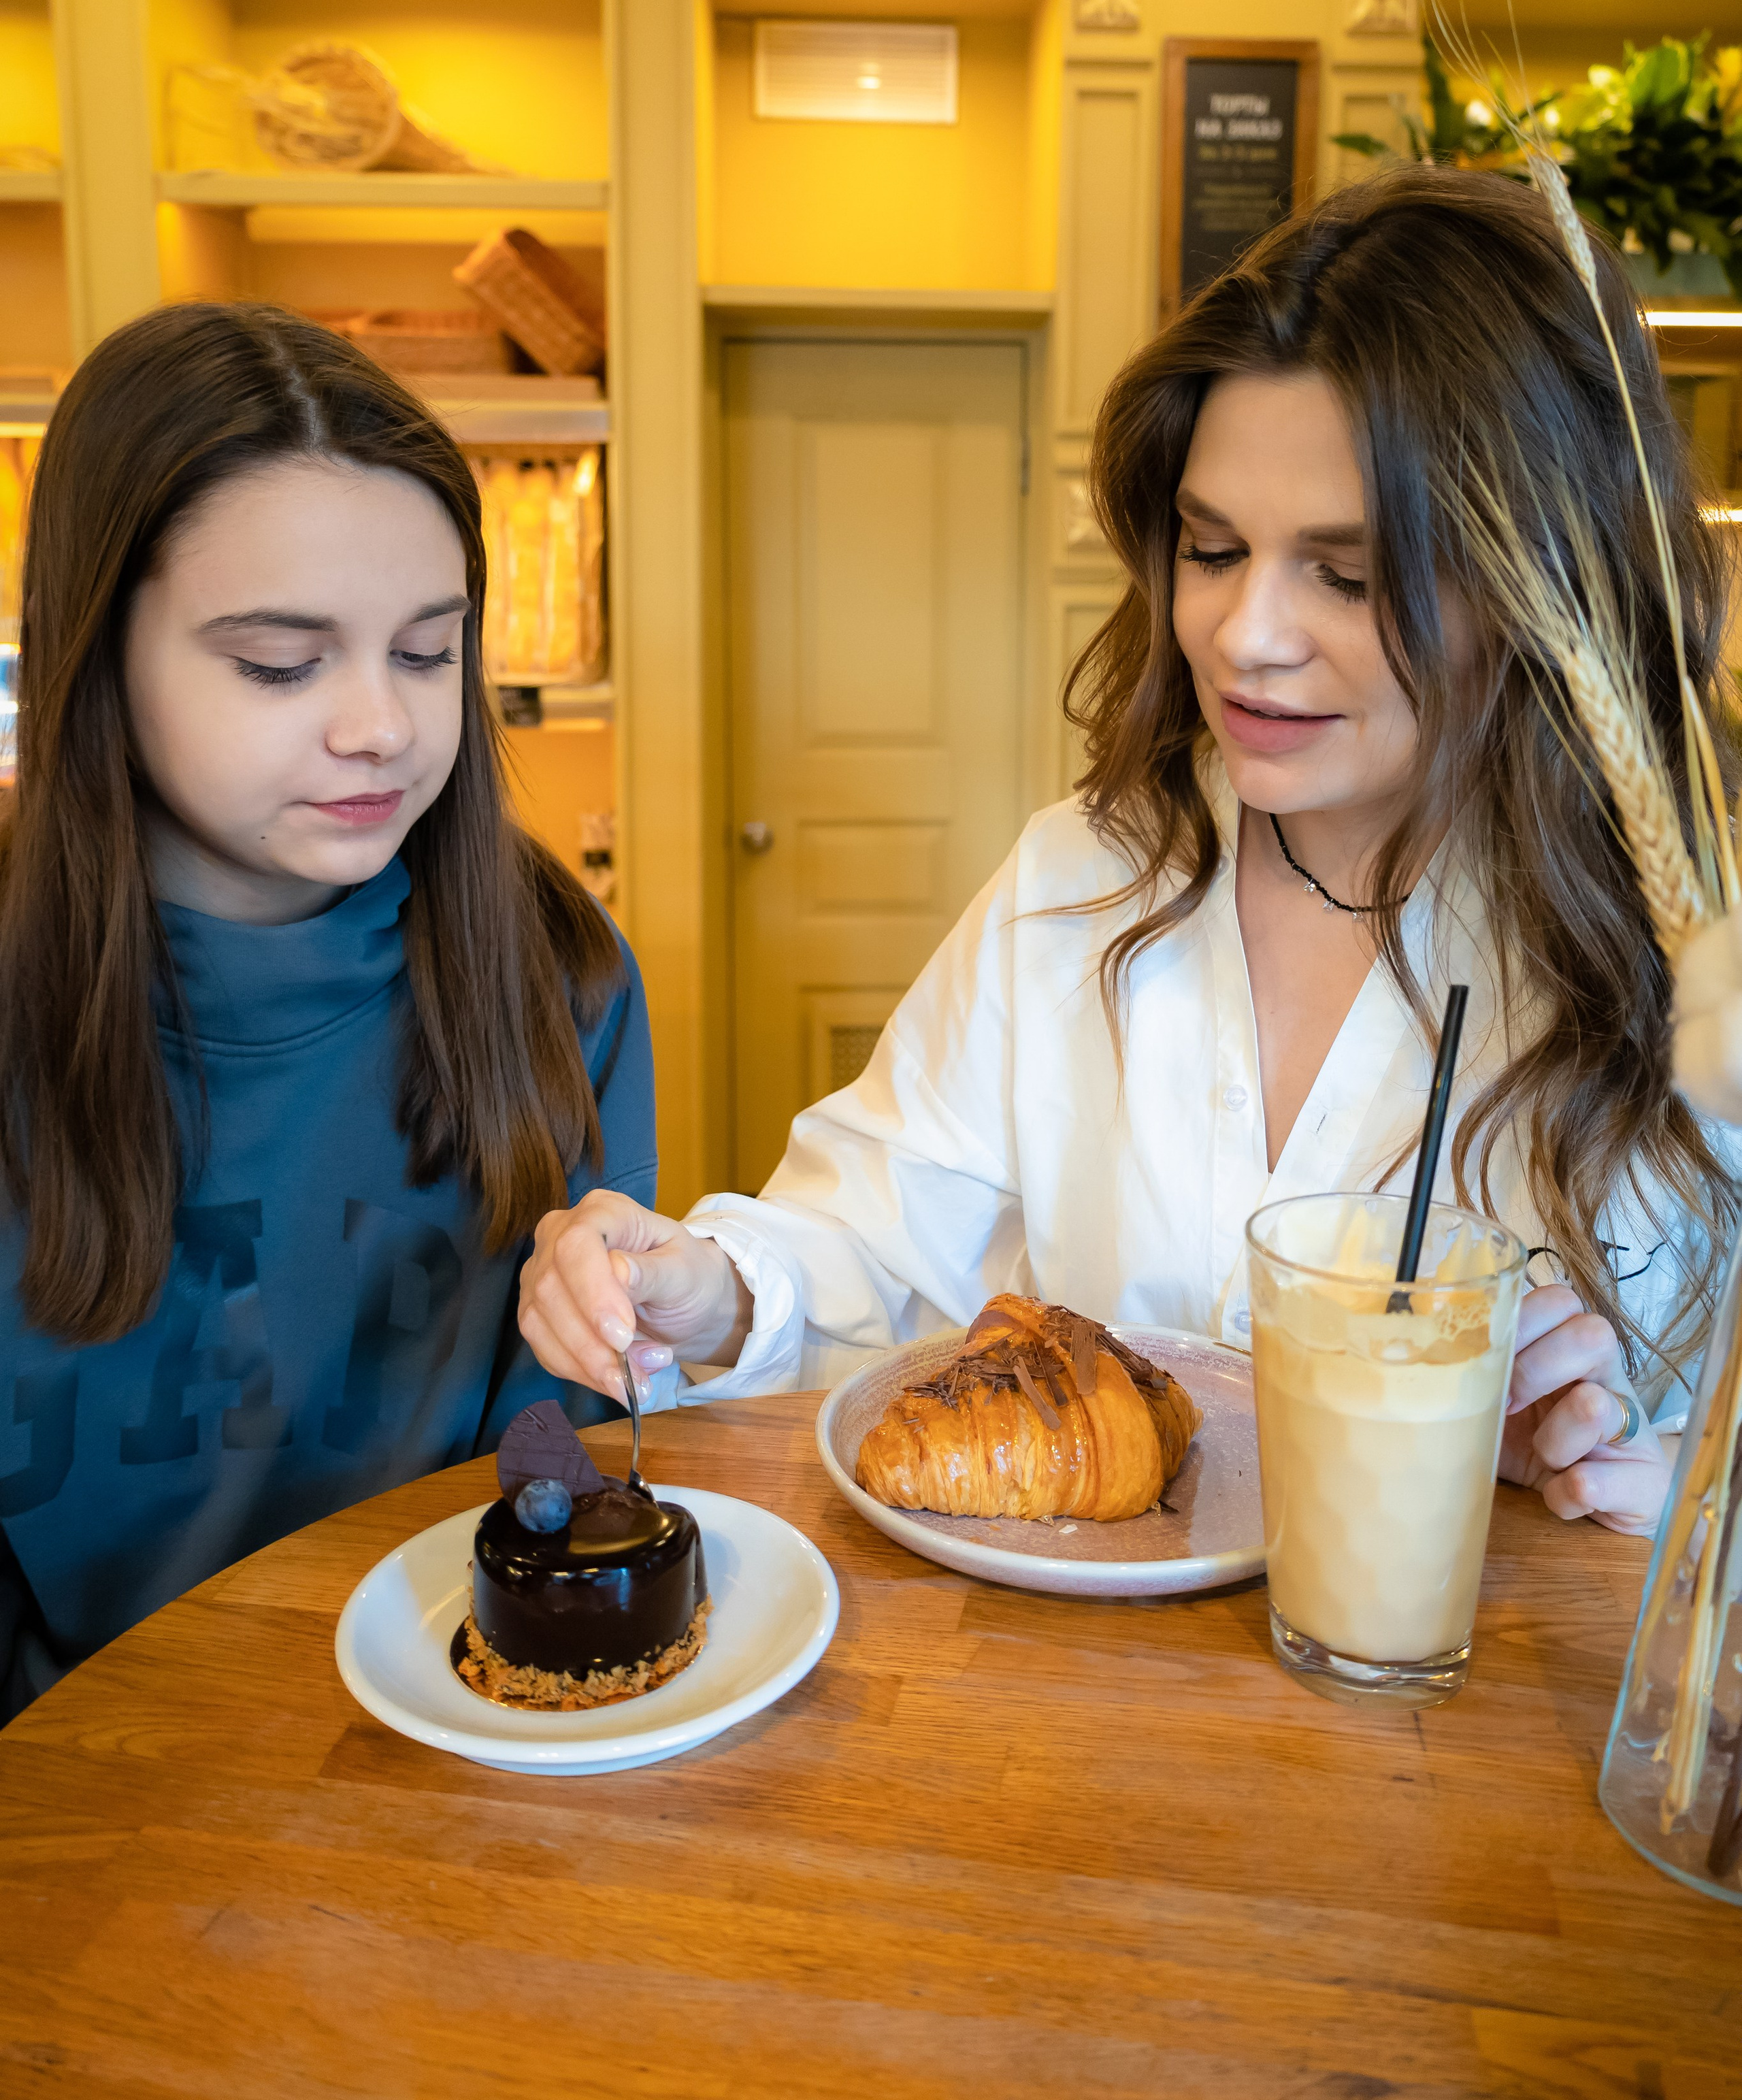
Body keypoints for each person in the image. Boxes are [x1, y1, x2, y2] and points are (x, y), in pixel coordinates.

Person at [518, 164, 1740, 1541]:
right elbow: (867, 1237)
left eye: (1345, 572)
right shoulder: (1079, 880)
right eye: (1210, 547)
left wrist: (1674, 1519)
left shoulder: (1702, 959)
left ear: (1546, 577)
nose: (1243, 633)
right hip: (1064, 1720)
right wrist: (710, 1286)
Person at [0, 305, 654, 1722]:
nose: (381, 727)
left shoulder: (560, 975)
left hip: (450, 1745)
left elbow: (562, 1469)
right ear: (93, 649)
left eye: (427, 653)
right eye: (282, 663)